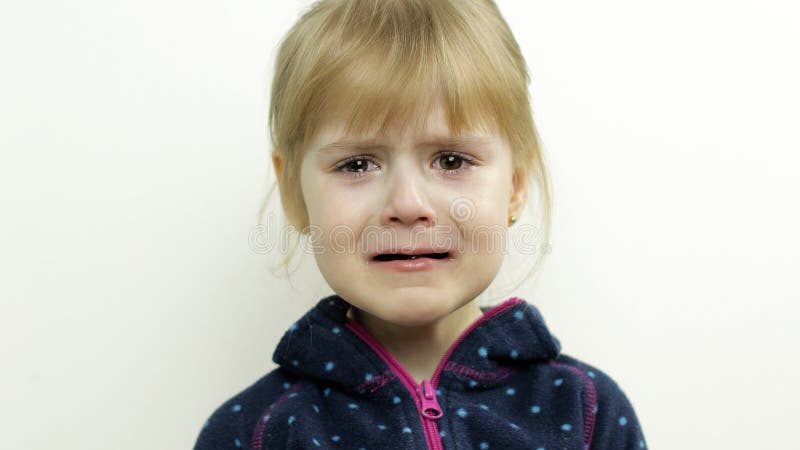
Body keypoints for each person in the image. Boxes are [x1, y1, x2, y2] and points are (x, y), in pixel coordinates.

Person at [193, 0, 647, 448]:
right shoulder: (254, 432)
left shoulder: (587, 412)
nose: (408, 205)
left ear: (514, 185)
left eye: (451, 160)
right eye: (356, 164)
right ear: (295, 194)